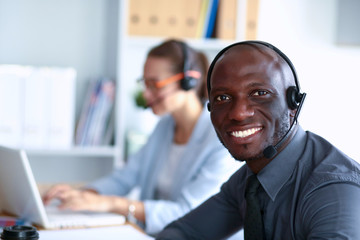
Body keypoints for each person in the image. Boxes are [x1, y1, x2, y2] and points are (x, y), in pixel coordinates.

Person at [156, 41, 360, 239]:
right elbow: (183, 232)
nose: (238, 113)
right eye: (223, 98)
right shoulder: (249, 179)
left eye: (260, 93)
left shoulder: (334, 191)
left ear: (293, 104)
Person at [42, 39, 237, 235]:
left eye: (155, 84)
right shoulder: (165, 127)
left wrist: (110, 203)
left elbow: (189, 213)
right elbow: (126, 176)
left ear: (188, 81)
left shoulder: (221, 140)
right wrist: (84, 195)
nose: (147, 94)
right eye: (145, 84)